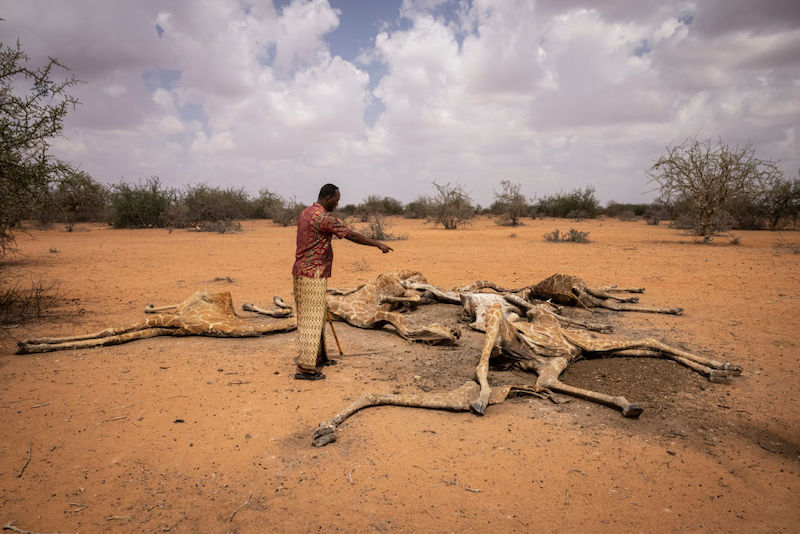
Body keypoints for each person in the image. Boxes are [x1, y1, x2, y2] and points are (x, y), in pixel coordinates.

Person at [292, 183, 393, 380]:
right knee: (311, 320)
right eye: (336, 201)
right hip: (312, 274)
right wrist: (377, 244)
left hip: (300, 271)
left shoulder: (306, 212)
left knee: (316, 316)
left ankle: (318, 358)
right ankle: (305, 369)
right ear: (328, 198)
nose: (337, 204)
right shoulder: (324, 217)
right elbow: (351, 235)